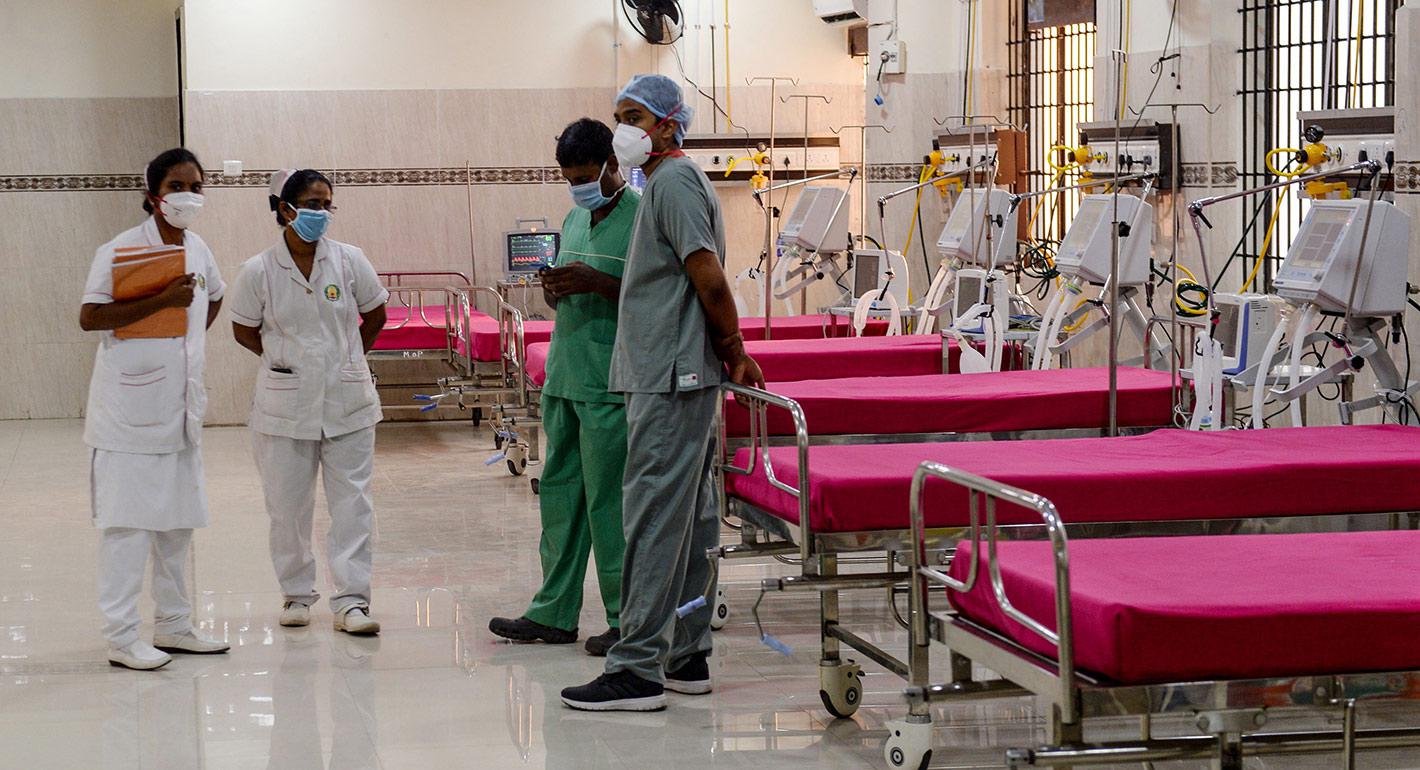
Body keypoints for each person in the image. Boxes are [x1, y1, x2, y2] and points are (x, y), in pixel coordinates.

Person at [561, 75, 765, 711]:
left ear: (668, 125)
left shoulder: (672, 181)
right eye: (619, 116)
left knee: (651, 517)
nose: (622, 129)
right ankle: (685, 653)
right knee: (693, 518)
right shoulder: (669, 181)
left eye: (634, 117)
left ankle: (637, 666)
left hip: (670, 375)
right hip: (673, 371)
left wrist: (734, 349)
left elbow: (710, 278)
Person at [489, 118, 639, 657]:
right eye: (569, 178)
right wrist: (555, 288)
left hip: (610, 385)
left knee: (609, 508)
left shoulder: (642, 219)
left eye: (584, 176)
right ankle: (553, 612)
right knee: (560, 501)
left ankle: (627, 619)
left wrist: (599, 283)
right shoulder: (574, 218)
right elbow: (564, 295)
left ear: (612, 165)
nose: (576, 187)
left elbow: (659, 295)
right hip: (566, 377)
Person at [79, 148, 231, 670]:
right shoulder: (120, 250)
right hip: (127, 416)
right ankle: (121, 637)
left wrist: (182, 343)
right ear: (152, 195)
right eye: (176, 187)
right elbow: (90, 316)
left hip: (180, 410)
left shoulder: (199, 247)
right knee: (127, 527)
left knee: (176, 525)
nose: (188, 196)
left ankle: (174, 625)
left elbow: (214, 296)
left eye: (196, 187)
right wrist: (162, 304)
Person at [229, 169, 389, 636]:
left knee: (353, 506)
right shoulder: (258, 270)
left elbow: (376, 314)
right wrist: (284, 362)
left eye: (326, 205)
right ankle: (296, 594)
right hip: (284, 406)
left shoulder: (349, 259)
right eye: (312, 204)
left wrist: (347, 359)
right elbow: (243, 329)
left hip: (347, 400)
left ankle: (352, 601)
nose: (321, 213)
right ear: (286, 209)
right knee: (287, 508)